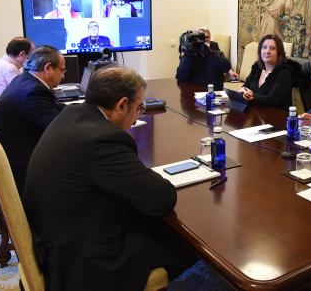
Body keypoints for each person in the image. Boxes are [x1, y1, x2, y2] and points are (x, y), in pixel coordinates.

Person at [23, 67, 197, 291]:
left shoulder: (72, 114)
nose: (138, 115)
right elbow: (162, 198)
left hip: (56, 231)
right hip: (84, 258)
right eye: (139, 107)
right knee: (187, 241)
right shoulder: (103, 139)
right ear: (122, 105)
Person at [0, 46, 66, 192]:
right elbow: (58, 128)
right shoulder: (33, 91)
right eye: (61, 70)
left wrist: (80, 110)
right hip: (20, 163)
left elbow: (53, 105)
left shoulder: (25, 79)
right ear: (48, 68)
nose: (63, 76)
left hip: (14, 148)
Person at [239, 34, 294, 109]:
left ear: (279, 52)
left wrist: (252, 96)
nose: (267, 51)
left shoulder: (284, 73)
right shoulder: (257, 68)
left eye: (272, 48)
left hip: (277, 116)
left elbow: (272, 100)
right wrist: (243, 91)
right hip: (255, 113)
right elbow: (245, 87)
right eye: (264, 47)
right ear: (260, 50)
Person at [0, 37, 34, 113]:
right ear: (22, 54)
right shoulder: (10, 69)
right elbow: (22, 97)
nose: (33, 59)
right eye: (32, 55)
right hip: (3, 118)